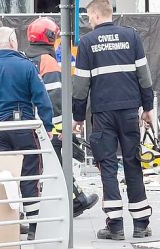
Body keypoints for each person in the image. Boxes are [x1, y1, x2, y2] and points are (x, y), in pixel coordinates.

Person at [73, 0, 155, 241]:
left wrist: (78, 117)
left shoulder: (87, 42)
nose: (88, 21)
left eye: (89, 16)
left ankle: (115, 226)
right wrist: (147, 108)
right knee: (133, 163)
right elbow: (144, 76)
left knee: (107, 166)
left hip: (103, 114)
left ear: (96, 15)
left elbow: (81, 85)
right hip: (129, 111)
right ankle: (141, 224)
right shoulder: (131, 36)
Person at [0, 27, 54, 240]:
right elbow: (41, 98)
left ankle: (7, 226)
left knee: (3, 176)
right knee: (30, 175)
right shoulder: (27, 66)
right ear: (12, 42)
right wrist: (47, 126)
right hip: (24, 128)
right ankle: (33, 227)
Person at [25, 16, 99, 218]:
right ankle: (76, 201)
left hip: (30, 124)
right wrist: (61, 129)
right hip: (47, 127)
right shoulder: (47, 61)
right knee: (58, 164)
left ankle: (71, 200)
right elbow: (55, 98)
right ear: (50, 37)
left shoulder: (25, 58)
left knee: (38, 167)